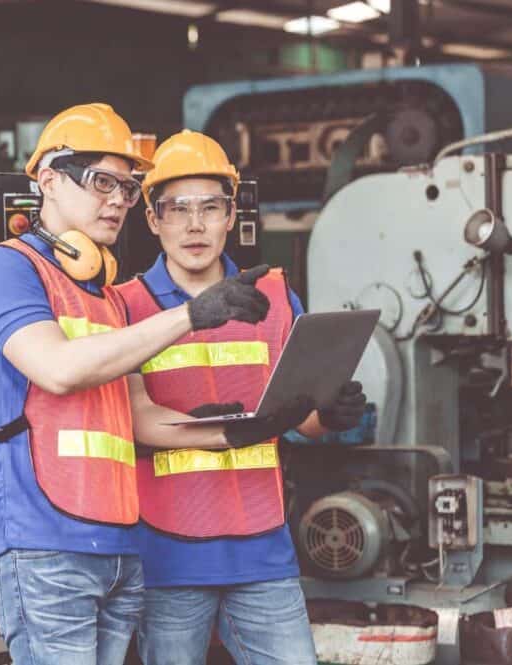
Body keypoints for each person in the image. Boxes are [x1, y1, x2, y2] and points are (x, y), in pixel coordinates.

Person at [0, 105, 278, 665]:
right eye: (102, 182)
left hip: (117, 542)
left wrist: (235, 431)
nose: (117, 202)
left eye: (127, 189)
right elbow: (58, 368)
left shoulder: (102, 295)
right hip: (42, 539)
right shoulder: (4, 270)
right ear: (48, 180)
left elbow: (137, 415)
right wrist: (189, 316)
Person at [115, 130, 368, 665]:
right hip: (168, 554)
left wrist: (330, 412)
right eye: (176, 209)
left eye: (210, 206)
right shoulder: (128, 308)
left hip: (263, 548)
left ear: (231, 215)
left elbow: (300, 420)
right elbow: (133, 420)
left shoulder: (275, 296)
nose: (194, 224)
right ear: (153, 220)